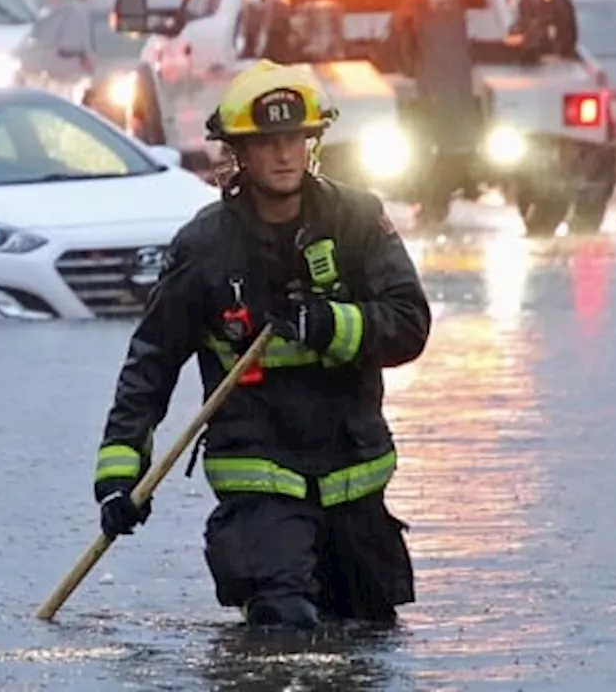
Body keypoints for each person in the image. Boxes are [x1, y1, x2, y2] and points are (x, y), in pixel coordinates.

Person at [91, 59, 432, 630]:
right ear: (238, 154)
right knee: (284, 630)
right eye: (266, 143)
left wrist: (327, 324)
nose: (283, 155)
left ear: (312, 142)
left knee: (371, 636)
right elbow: (150, 366)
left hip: (353, 475)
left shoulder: (357, 221)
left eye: (294, 139)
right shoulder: (204, 247)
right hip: (259, 484)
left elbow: (409, 324)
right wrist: (119, 478)